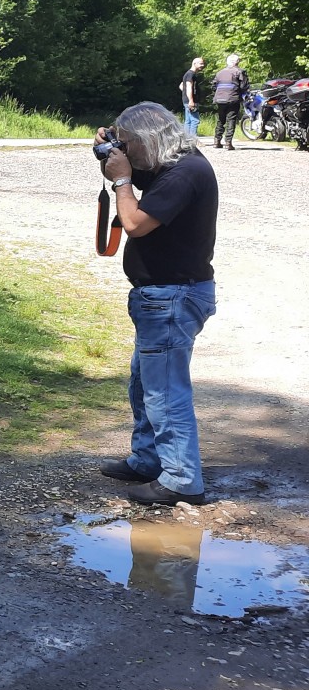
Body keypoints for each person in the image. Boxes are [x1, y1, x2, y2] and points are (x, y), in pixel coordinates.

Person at [95, 102, 219, 506]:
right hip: (162, 297)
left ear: (149, 140)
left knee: (164, 391)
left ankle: (182, 479)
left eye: (128, 144)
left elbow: (133, 223)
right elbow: (144, 175)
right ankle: (149, 460)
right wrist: (113, 151)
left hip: (172, 298)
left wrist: (121, 181)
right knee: (144, 384)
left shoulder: (186, 173)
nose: (126, 153)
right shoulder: (174, 163)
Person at [209, 54, 249, 150]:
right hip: (232, 98)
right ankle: (228, 143)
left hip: (219, 99)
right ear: (237, 62)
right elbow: (244, 86)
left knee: (221, 119)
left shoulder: (219, 73)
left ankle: (216, 141)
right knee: (231, 119)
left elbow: (213, 86)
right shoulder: (240, 72)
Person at [179, 57, 204, 138]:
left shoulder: (188, 73)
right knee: (195, 120)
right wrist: (191, 100)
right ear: (194, 63)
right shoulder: (191, 74)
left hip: (186, 100)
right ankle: (193, 140)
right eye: (200, 63)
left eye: (203, 63)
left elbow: (181, 85)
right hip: (190, 101)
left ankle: (186, 139)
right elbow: (189, 86)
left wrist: (184, 93)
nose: (202, 65)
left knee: (188, 121)